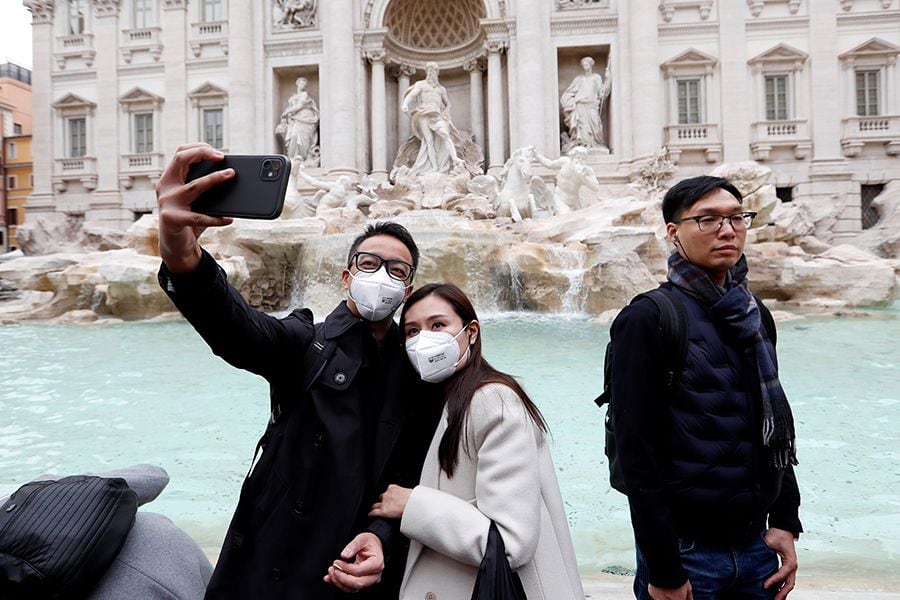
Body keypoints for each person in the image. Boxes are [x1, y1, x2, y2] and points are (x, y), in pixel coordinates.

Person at [154, 142, 441, 599]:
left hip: (356, 569)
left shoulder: (420, 371)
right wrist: (180, 254)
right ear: (346, 277)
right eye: (369, 264)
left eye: (396, 270)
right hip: (276, 565)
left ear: (407, 289)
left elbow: (413, 475)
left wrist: (383, 538)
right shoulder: (305, 341)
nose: (382, 275)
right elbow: (238, 330)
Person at [609, 176, 802, 600]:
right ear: (673, 232)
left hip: (756, 549)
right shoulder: (647, 320)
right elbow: (637, 451)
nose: (727, 230)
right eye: (708, 219)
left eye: (737, 218)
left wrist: (786, 520)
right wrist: (665, 570)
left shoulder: (754, 315)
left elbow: (772, 427)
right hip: (686, 552)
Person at [368, 283, 585, 600]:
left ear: (471, 332)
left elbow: (511, 543)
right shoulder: (443, 402)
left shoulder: (493, 401)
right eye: (412, 331)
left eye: (438, 325)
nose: (423, 340)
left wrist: (411, 505)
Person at [400, 62, 464, 174]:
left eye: (433, 70)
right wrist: (405, 103)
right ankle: (434, 168)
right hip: (423, 113)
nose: (431, 73)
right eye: (429, 70)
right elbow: (412, 95)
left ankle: (455, 159)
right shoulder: (421, 84)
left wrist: (446, 112)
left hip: (437, 114)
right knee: (428, 140)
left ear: (437, 73)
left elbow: (448, 103)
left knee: (445, 135)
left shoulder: (441, 89)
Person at [560, 56, 611, 149]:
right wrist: (570, 102)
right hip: (580, 105)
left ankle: (596, 144)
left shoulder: (596, 77)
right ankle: (583, 144)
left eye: (587, 65)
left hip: (592, 105)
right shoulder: (578, 79)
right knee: (581, 126)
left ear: (591, 65)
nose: (585, 67)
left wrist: (608, 79)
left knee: (596, 125)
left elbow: (602, 93)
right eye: (583, 65)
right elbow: (569, 92)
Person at [533, 146, 601, 212]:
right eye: (578, 158)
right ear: (572, 157)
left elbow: (596, 187)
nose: (580, 160)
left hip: (574, 202)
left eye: (583, 159)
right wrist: (536, 155)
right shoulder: (564, 162)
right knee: (565, 215)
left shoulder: (587, 170)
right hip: (559, 199)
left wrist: (584, 178)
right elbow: (549, 164)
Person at [276, 77, 320, 166]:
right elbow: (292, 107)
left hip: (306, 118)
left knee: (304, 138)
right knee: (294, 135)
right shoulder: (293, 97)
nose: (303, 86)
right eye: (301, 83)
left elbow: (300, 105)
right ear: (297, 84)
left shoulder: (305, 95)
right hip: (295, 119)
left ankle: (302, 158)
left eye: (304, 84)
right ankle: (293, 158)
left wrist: (287, 112)